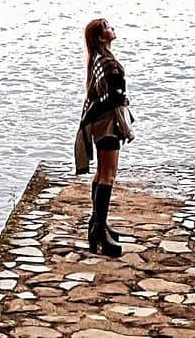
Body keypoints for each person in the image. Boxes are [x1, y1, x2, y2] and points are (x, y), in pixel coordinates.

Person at [74, 17, 135, 258]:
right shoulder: (107, 62)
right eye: (108, 27)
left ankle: (98, 223)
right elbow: (111, 96)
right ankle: (99, 230)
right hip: (108, 122)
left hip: (98, 122)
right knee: (108, 174)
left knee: (101, 173)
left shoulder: (96, 60)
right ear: (101, 37)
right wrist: (122, 103)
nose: (113, 28)